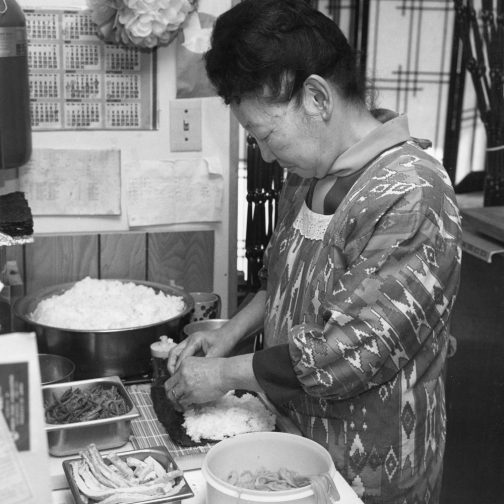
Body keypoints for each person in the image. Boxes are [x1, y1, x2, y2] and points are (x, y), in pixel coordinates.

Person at [164, 1, 462, 502]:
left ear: (317, 98)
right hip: (290, 443)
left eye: (266, 134)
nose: (264, 153)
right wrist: (229, 335)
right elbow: (278, 282)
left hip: (373, 469)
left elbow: (343, 353)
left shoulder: (410, 193)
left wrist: (223, 375)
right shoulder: (308, 178)